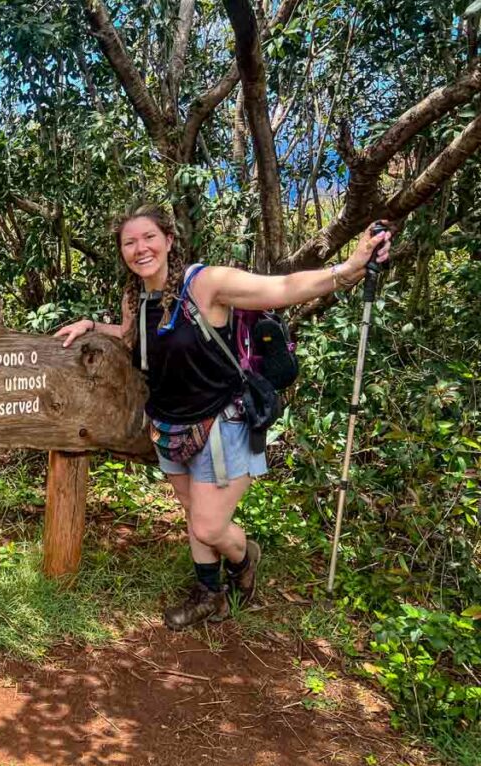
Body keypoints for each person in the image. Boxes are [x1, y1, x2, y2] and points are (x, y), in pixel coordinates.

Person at [54, 204, 391, 630]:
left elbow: (282, 288)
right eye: (129, 242)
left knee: (208, 525)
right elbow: (130, 337)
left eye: (148, 238)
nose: (140, 249)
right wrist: (89, 325)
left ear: (169, 240)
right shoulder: (136, 298)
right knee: (195, 514)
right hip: (170, 425)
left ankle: (246, 555)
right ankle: (210, 595)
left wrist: (350, 268)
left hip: (221, 422)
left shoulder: (206, 284)